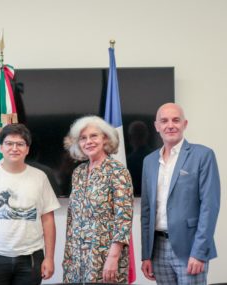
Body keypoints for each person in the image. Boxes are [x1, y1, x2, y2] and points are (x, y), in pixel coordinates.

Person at [0, 123, 60, 285]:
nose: (14, 148)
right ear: (1, 148)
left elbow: (48, 220)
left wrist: (49, 258)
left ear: (27, 149)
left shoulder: (40, 177)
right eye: (9, 143)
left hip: (30, 257)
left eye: (20, 144)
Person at [141, 103, 220, 285]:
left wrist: (199, 252)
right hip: (157, 249)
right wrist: (146, 254)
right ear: (157, 126)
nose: (170, 125)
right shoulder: (149, 161)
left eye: (176, 120)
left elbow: (210, 207)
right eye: (164, 121)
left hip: (190, 248)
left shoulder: (203, 155)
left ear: (185, 124)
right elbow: (146, 211)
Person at [62, 115, 133, 283]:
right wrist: (68, 257)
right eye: (83, 138)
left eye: (94, 136)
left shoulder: (118, 171)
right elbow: (72, 217)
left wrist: (113, 257)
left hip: (104, 256)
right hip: (76, 257)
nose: (89, 141)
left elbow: (124, 219)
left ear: (105, 138)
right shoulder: (78, 172)